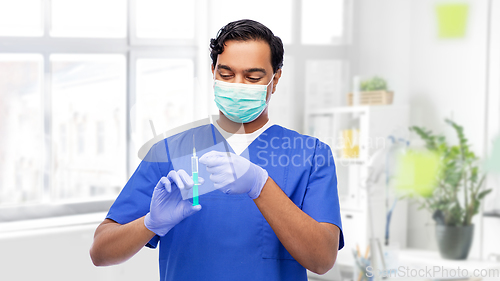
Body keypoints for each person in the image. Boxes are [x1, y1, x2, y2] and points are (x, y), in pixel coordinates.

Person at [90, 19, 344, 281]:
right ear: (213, 72)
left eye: (252, 77)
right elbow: (100, 252)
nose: (237, 85)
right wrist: (149, 223)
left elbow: (323, 259)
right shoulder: (168, 152)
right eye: (226, 74)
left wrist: (261, 185)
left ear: (275, 79)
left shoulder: (310, 155)